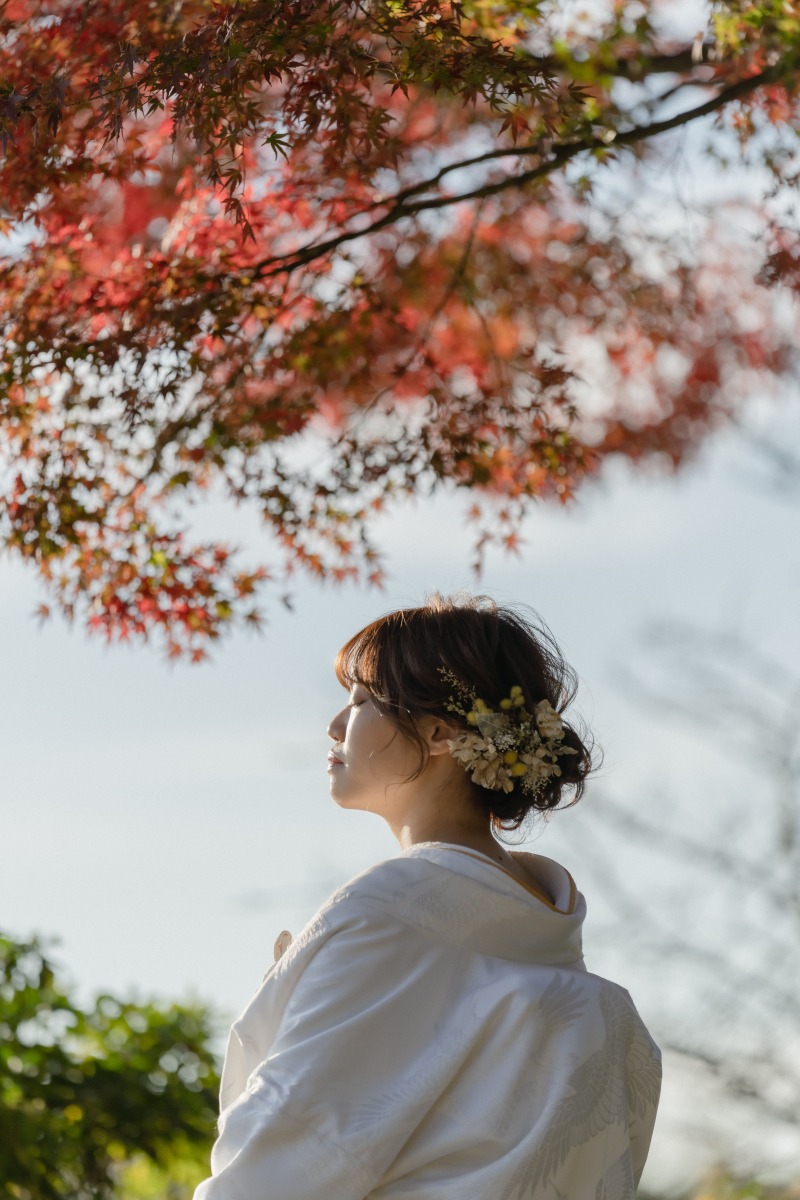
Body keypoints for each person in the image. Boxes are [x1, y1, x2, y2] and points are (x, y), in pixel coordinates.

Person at [193, 594, 661, 1200]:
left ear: (440, 734)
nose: (335, 726)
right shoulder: (547, 937)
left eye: (362, 702)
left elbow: (283, 1157)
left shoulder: (387, 915)